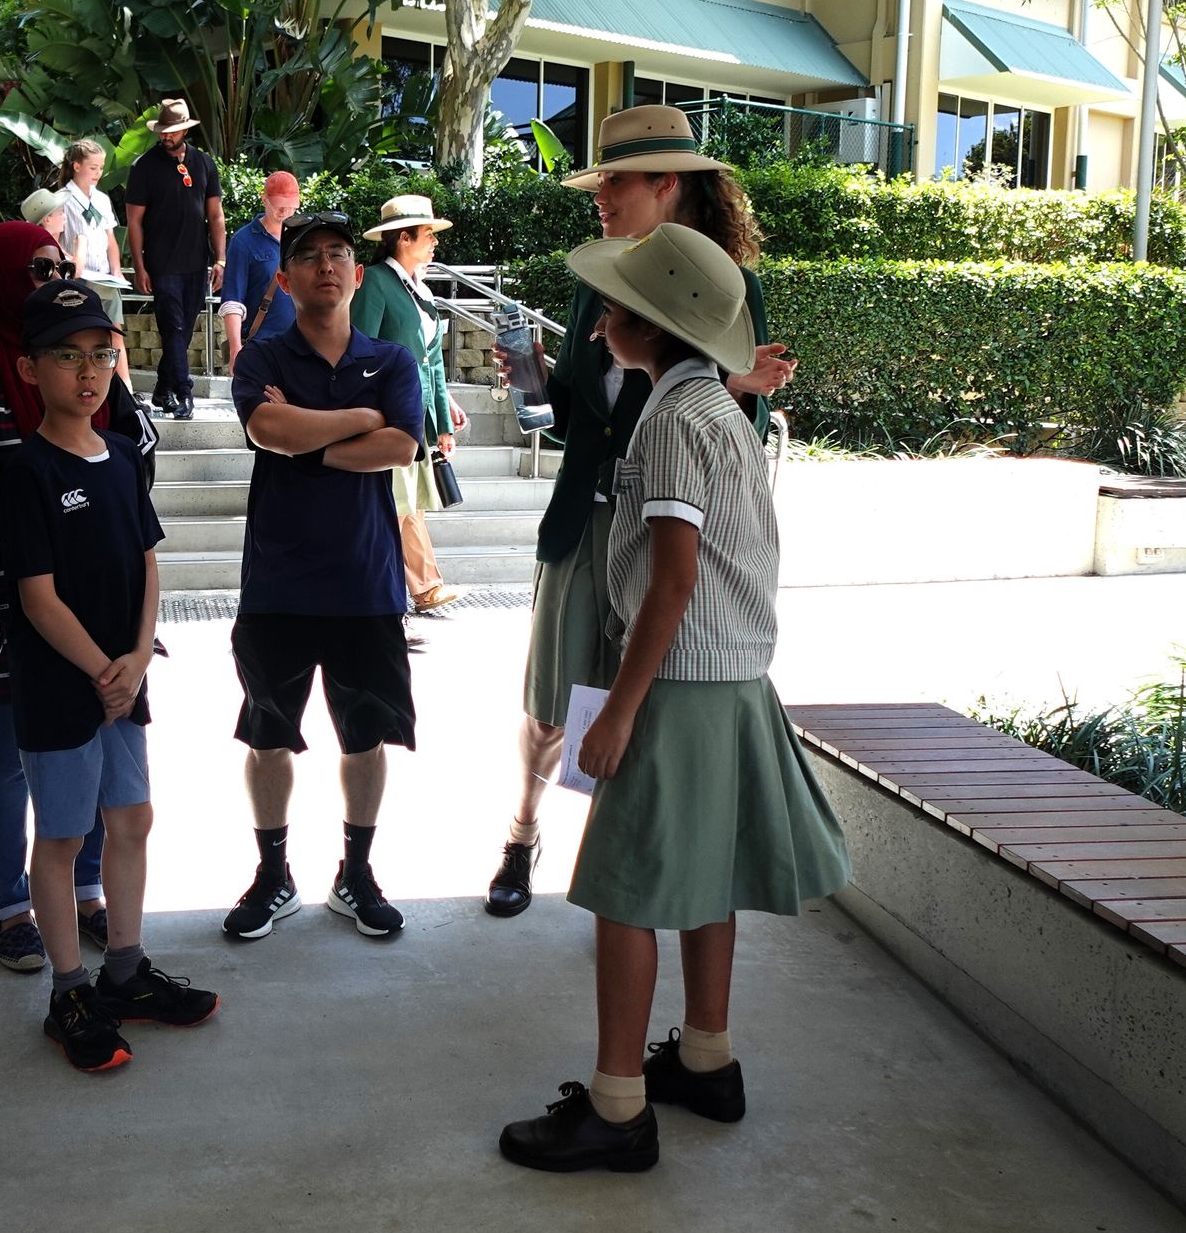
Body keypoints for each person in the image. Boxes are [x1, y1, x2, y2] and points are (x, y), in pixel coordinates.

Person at [497, 223, 849, 1174]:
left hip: (678, 683)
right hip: (731, 677)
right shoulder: (718, 408)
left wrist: (619, 707)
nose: (598, 322)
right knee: (705, 877)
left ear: (650, 326)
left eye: (615, 308)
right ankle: (706, 1058)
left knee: (625, 894)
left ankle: (618, 1107)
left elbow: (673, 578)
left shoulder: (670, 423)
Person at [487, 106, 798, 920]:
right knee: (552, 709)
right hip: (581, 523)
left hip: (666, 537)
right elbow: (571, 412)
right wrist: (533, 376)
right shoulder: (597, 279)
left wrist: (729, 385)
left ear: (667, 184)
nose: (600, 194)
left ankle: (614, 872)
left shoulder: (732, 289)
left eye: (614, 179)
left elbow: (737, 430)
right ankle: (522, 834)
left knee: (635, 709)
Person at [1, 278, 220, 1071]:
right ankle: (69, 993)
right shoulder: (24, 471)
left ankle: (123, 970)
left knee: (131, 819)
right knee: (62, 835)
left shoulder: (125, 455)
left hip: (124, 681)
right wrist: (104, 669)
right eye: (67, 356)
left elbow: (148, 562)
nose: (88, 371)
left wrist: (136, 654)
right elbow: (37, 597)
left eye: (101, 354)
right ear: (30, 370)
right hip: (63, 684)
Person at [0, 223, 161, 973]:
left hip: (98, 605)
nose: (50, 279)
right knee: (5, 753)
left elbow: (130, 474)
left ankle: (91, 899)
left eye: (60, 268)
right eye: (36, 269)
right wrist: (37, 490)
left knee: (105, 766)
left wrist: (131, 647)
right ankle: (12, 909)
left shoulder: (97, 378)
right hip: (9, 601)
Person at [223, 212, 425, 941]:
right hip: (277, 583)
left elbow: (401, 447)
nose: (325, 266)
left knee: (365, 737)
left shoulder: (391, 361)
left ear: (358, 273)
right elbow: (265, 429)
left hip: (365, 583)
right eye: (308, 257)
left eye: (338, 254)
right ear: (285, 279)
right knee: (268, 735)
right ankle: (272, 874)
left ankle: (356, 873)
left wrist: (306, 439)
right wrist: (358, 418)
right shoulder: (262, 357)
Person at [352, 194, 466, 614]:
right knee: (397, 505)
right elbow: (361, 349)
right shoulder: (377, 282)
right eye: (428, 234)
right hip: (388, 415)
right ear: (404, 238)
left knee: (407, 504)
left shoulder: (420, 289)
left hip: (413, 415)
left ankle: (421, 589)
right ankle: (396, 597)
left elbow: (432, 362)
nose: (435, 241)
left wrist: (442, 424)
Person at [123, 97, 225, 419]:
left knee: (183, 331)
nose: (166, 136)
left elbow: (215, 215)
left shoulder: (204, 163)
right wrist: (140, 266)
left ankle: (163, 388)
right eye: (162, 131)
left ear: (185, 130)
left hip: (196, 260)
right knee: (173, 327)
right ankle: (184, 393)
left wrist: (220, 259)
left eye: (172, 131)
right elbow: (134, 222)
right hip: (162, 262)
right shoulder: (144, 166)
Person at [29, 139, 128, 320]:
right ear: (76, 166)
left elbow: (110, 239)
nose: (98, 173)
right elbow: (53, 238)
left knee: (114, 328)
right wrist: (69, 261)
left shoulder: (102, 199)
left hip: (105, 278)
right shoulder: (62, 200)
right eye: (93, 168)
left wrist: (116, 270)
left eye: (101, 168)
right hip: (77, 277)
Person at [218, 169, 301, 365]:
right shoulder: (243, 241)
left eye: (291, 207)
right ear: (265, 200)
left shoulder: (303, 237)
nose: (285, 213)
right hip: (261, 347)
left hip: (300, 345)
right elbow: (232, 300)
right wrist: (235, 348)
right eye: (279, 207)